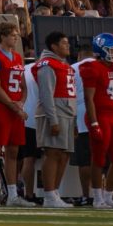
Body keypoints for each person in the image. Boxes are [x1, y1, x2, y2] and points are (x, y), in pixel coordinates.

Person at [0, 21, 33, 207]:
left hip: (14, 109)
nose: (16, 37)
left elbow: (23, 86)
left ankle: (12, 195)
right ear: (2, 36)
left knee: (13, 151)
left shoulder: (18, 57)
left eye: (16, 34)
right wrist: (14, 106)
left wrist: (21, 102)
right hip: (1, 108)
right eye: (12, 34)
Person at [80, 33, 113, 209]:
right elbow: (89, 98)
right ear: (100, 51)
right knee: (98, 159)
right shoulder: (92, 67)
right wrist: (94, 123)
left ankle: (109, 197)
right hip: (100, 116)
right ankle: (97, 198)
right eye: (112, 51)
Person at [31, 31, 76, 209]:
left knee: (64, 155)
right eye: (64, 43)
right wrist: (53, 119)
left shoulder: (63, 65)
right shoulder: (47, 64)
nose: (68, 46)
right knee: (52, 153)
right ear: (54, 46)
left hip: (67, 113)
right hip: (55, 112)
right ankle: (49, 194)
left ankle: (55, 193)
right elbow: (46, 93)